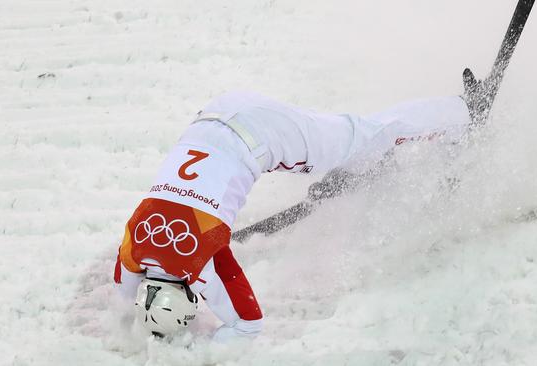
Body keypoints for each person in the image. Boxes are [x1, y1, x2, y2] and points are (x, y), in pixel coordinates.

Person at [113, 75, 494, 341]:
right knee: (348, 143)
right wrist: (131, 321)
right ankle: (360, 165)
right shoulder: (132, 246)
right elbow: (122, 291)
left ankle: (464, 112)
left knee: (368, 135)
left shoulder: (202, 263)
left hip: (263, 133)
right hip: (216, 113)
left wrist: (201, 352)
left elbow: (248, 326)